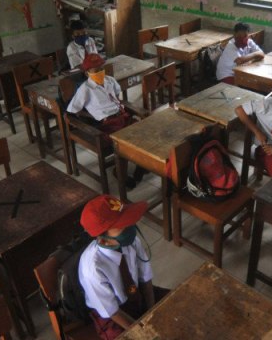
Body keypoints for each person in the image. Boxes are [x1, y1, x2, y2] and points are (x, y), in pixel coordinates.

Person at [78, 194, 166, 340]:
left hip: (136, 294)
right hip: (112, 315)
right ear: (103, 239)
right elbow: (111, 311)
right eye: (121, 226)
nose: (129, 227)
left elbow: (145, 276)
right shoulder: (92, 268)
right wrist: (143, 332)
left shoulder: (132, 241)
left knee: (178, 306)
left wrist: (152, 312)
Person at [66, 53, 145, 188]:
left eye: (101, 68)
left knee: (143, 131)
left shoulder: (109, 80)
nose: (100, 72)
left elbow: (117, 95)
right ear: (87, 73)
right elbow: (73, 110)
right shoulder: (85, 89)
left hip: (121, 115)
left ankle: (142, 165)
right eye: (96, 71)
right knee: (123, 141)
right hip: (107, 123)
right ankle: (120, 173)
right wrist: (93, 114)